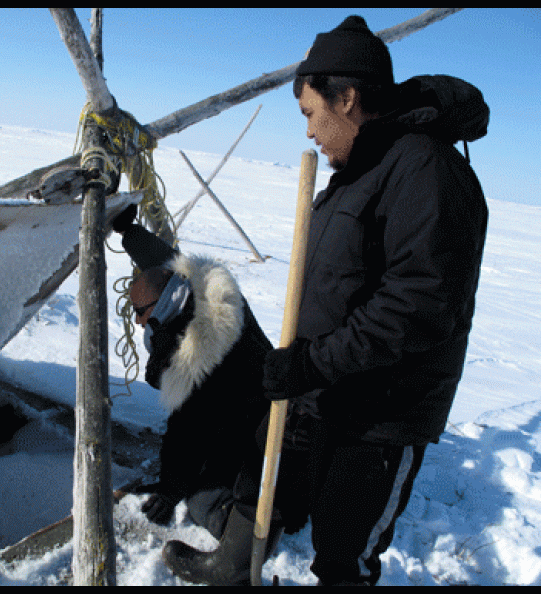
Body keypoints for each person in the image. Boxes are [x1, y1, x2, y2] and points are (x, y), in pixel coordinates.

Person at [162, 15, 489, 586]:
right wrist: (305, 365)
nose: (310, 133)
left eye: (312, 114)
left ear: (349, 98)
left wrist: (313, 362)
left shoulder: (428, 172)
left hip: (382, 411)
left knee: (344, 545)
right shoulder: (361, 170)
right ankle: (234, 567)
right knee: (265, 471)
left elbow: (419, 306)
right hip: (327, 387)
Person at [112, 205, 272, 540]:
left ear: (164, 307)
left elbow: (188, 430)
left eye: (140, 313)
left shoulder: (202, 355)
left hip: (258, 429)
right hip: (254, 403)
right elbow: (165, 259)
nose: (137, 321)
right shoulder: (203, 292)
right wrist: (130, 233)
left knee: (201, 497)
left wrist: (171, 489)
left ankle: (243, 541)